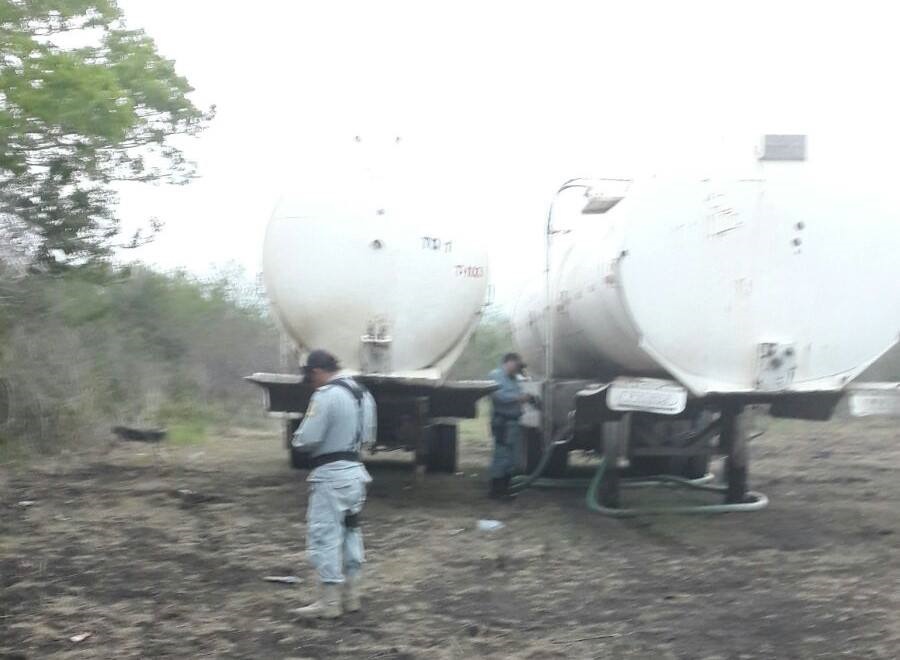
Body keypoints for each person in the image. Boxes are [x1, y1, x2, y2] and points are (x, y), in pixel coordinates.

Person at [290, 349, 376, 619]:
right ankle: (352, 596)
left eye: (311, 377)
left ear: (317, 371)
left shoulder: (326, 395)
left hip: (331, 475)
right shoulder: (363, 394)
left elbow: (307, 438)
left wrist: (297, 439)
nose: (311, 383)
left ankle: (329, 603)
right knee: (351, 532)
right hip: (355, 473)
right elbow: (369, 438)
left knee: (325, 535)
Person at [488, 352, 532, 499]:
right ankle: (496, 490)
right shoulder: (495, 376)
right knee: (502, 455)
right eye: (516, 365)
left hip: (514, 421)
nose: (518, 369)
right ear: (509, 362)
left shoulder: (516, 379)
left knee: (512, 458)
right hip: (502, 421)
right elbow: (498, 396)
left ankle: (505, 489)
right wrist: (519, 398)